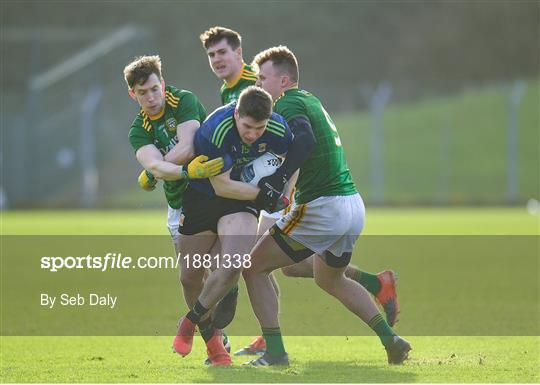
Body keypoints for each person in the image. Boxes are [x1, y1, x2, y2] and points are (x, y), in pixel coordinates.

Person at [239, 46, 411, 366]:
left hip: (323, 206)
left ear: (284, 79)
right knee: (328, 278)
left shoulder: (288, 103)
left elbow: (304, 140)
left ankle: (275, 353)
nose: (258, 84)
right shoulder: (310, 99)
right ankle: (391, 340)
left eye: (263, 78)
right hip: (352, 206)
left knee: (253, 267)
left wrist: (278, 179)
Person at [172, 86, 293, 366]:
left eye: (259, 128)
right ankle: (215, 335)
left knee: (234, 263)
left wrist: (285, 191)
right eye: (247, 127)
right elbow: (222, 185)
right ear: (236, 114)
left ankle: (190, 323)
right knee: (189, 276)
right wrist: (263, 195)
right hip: (205, 197)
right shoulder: (215, 129)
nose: (253, 134)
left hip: (241, 204)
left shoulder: (278, 129)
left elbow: (290, 162)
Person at [123, 55, 227, 363]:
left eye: (155, 89)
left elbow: (189, 146)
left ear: (162, 83)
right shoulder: (137, 131)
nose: (151, 97)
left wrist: (157, 170)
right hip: (179, 203)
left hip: (215, 193)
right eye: (143, 93)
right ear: (133, 94)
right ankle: (215, 341)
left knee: (227, 266)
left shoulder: (183, 100)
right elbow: (155, 161)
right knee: (191, 278)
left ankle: (222, 339)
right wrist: (174, 172)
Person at [199, 26, 283, 355]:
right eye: (211, 55)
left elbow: (274, 130)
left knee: (282, 262)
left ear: (239, 52)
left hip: (270, 186)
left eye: (222, 52)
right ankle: (267, 334)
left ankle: (369, 283)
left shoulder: (253, 86)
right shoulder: (227, 91)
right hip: (251, 187)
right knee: (260, 261)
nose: (217, 60)